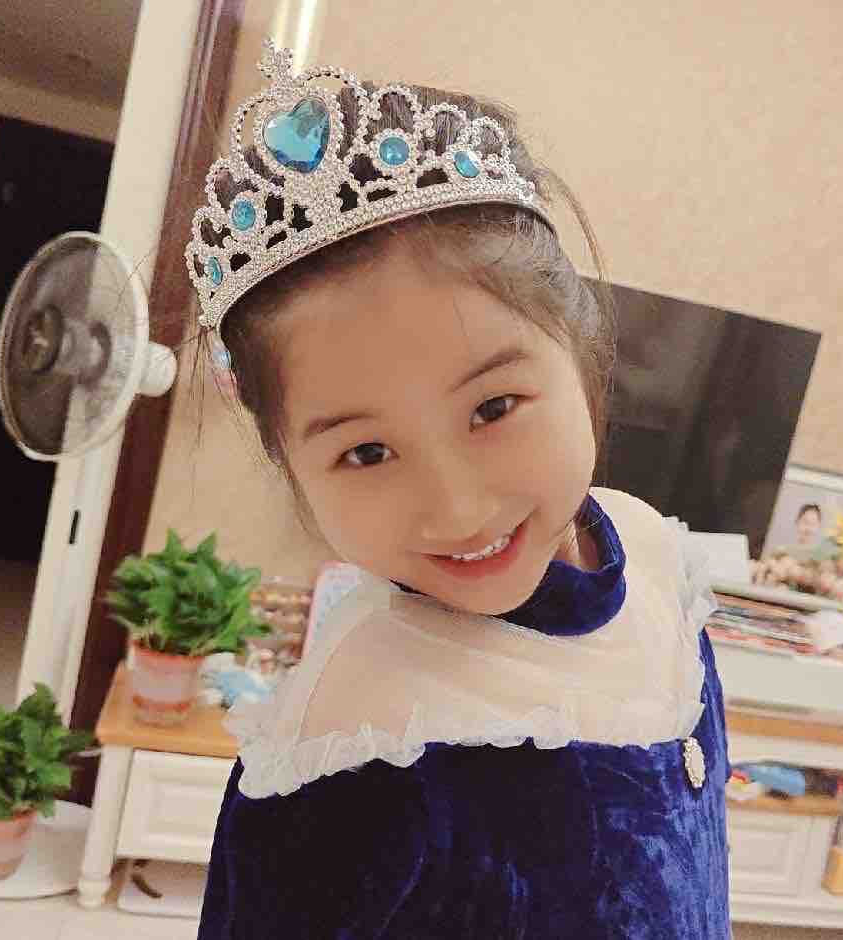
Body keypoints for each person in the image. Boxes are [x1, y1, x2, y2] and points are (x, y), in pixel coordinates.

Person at [190, 40, 730, 940]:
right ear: (291, 464)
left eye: (493, 407)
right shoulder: (353, 743)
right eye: (366, 452)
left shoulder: (651, 552)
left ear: (580, 356)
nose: (457, 508)